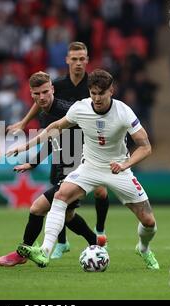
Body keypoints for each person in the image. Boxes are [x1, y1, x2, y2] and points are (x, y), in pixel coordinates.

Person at [7, 69, 159, 270]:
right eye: (93, 93)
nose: (96, 98)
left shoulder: (124, 112)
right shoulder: (80, 108)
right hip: (90, 167)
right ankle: (44, 252)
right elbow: (56, 127)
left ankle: (144, 248)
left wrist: (125, 165)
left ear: (111, 91)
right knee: (61, 196)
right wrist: (25, 147)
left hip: (119, 169)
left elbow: (146, 147)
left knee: (148, 221)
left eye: (101, 94)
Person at [6, 42, 110, 259]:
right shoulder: (55, 91)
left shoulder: (90, 87)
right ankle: (78, 242)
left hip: (85, 152)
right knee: (67, 210)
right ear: (67, 60)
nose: (78, 63)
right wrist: (25, 128)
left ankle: (96, 234)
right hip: (62, 150)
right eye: (74, 59)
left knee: (56, 203)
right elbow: (50, 125)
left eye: (82, 58)